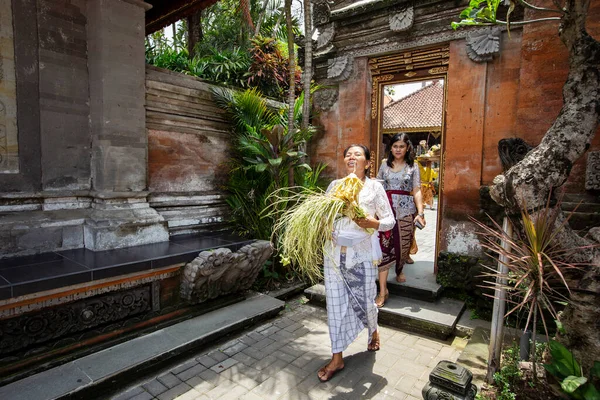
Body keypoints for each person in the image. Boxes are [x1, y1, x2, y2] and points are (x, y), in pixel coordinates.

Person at [317, 144, 395, 383]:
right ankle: (337, 357)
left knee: (366, 301)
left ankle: (373, 329)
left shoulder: (374, 188)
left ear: (368, 163)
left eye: (358, 154)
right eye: (348, 154)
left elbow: (389, 221)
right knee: (335, 306)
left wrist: (371, 223)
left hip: (360, 256)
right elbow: (323, 215)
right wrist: (324, 225)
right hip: (333, 254)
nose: (352, 157)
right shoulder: (335, 186)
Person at [375, 133, 426, 307]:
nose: (398, 149)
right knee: (384, 248)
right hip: (385, 211)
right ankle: (383, 291)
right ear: (391, 148)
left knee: (403, 245)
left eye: (401, 146)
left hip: (406, 211)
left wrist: (421, 212)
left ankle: (399, 269)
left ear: (407, 148)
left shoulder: (413, 166)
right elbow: (377, 187)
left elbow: (417, 190)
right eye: (395, 146)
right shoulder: (384, 165)